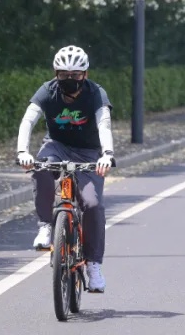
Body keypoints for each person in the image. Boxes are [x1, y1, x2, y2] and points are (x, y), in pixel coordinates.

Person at [16, 45, 114, 294]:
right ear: (56, 73)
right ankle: (46, 226)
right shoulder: (47, 91)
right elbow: (28, 120)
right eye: (64, 74)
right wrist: (22, 152)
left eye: (76, 75)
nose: (69, 80)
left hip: (89, 153)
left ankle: (93, 266)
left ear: (85, 75)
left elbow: (104, 124)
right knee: (39, 167)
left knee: (92, 204)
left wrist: (107, 154)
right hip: (56, 147)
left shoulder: (95, 93)